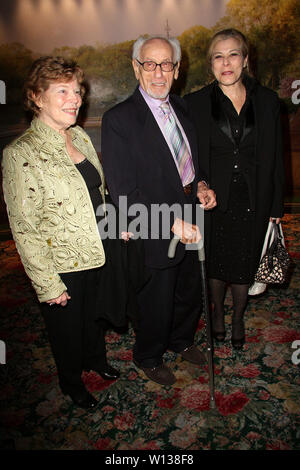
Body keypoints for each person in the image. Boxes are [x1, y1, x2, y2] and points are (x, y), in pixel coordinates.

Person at [2, 56, 122, 410]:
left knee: (94, 318)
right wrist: (47, 283)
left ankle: (96, 360)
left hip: (97, 250)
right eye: (63, 91)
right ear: (37, 97)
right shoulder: (20, 154)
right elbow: (24, 227)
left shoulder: (80, 136)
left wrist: (115, 228)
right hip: (61, 263)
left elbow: (98, 195)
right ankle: (71, 382)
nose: (75, 99)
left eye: (78, 91)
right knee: (66, 332)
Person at [101, 35, 216, 386]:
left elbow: (189, 164)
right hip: (155, 226)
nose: (158, 72)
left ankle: (181, 341)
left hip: (192, 216)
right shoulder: (118, 120)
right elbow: (123, 193)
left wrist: (201, 186)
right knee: (157, 299)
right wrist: (171, 223)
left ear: (177, 69)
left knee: (189, 290)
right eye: (149, 64)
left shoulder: (182, 108)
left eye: (166, 64)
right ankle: (148, 355)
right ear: (137, 68)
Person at [184, 29, 284, 349]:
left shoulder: (267, 101)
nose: (226, 62)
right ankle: (216, 316)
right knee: (215, 260)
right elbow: (188, 157)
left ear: (245, 59)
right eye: (218, 56)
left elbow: (276, 158)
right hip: (215, 198)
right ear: (211, 63)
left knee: (244, 262)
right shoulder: (195, 104)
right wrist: (199, 183)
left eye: (233, 54)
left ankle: (238, 316)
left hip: (254, 197)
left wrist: (276, 209)